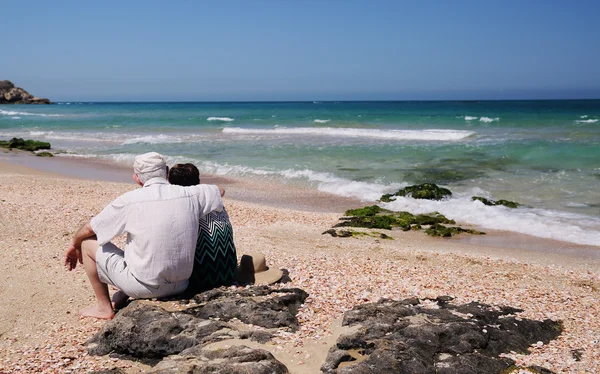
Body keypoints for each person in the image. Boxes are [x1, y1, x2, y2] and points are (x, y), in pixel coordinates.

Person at [64, 152, 225, 319]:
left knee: (87, 243)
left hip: (143, 287)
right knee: (147, 247)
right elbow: (219, 190)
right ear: (167, 172)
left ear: (137, 178)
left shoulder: (129, 200)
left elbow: (90, 229)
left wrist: (74, 244)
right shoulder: (192, 194)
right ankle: (122, 294)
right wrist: (196, 189)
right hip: (182, 285)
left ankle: (103, 307)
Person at [168, 163, 237, 293]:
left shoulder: (179, 203)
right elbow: (221, 189)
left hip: (198, 278)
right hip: (228, 272)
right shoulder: (212, 195)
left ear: (170, 182)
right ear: (198, 181)